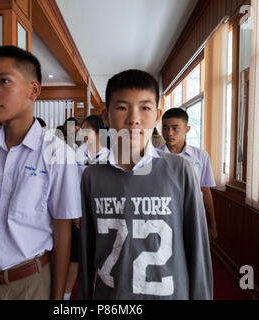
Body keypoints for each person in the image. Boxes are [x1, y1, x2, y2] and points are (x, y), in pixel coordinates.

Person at [0, 46, 81, 300]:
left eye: (4, 81)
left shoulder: (58, 153)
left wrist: (58, 298)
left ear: (33, 90)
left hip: (28, 285)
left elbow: (63, 231)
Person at [77, 69, 213, 300]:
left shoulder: (180, 170)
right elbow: (86, 251)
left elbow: (198, 251)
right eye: (122, 108)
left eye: (145, 108)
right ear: (106, 116)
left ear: (157, 115)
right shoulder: (92, 177)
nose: (133, 118)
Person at [63, 115, 109, 300]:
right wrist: (74, 213)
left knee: (99, 256)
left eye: (86, 130)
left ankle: (94, 291)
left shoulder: (108, 155)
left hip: (100, 211)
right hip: (79, 211)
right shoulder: (76, 154)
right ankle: (66, 295)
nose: (82, 134)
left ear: (98, 133)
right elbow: (71, 183)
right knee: (74, 256)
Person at [160, 108, 218, 243]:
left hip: (194, 214)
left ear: (187, 129)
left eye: (175, 128)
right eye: (165, 128)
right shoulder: (154, 157)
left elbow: (205, 190)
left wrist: (213, 224)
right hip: (164, 216)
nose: (169, 133)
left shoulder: (200, 156)